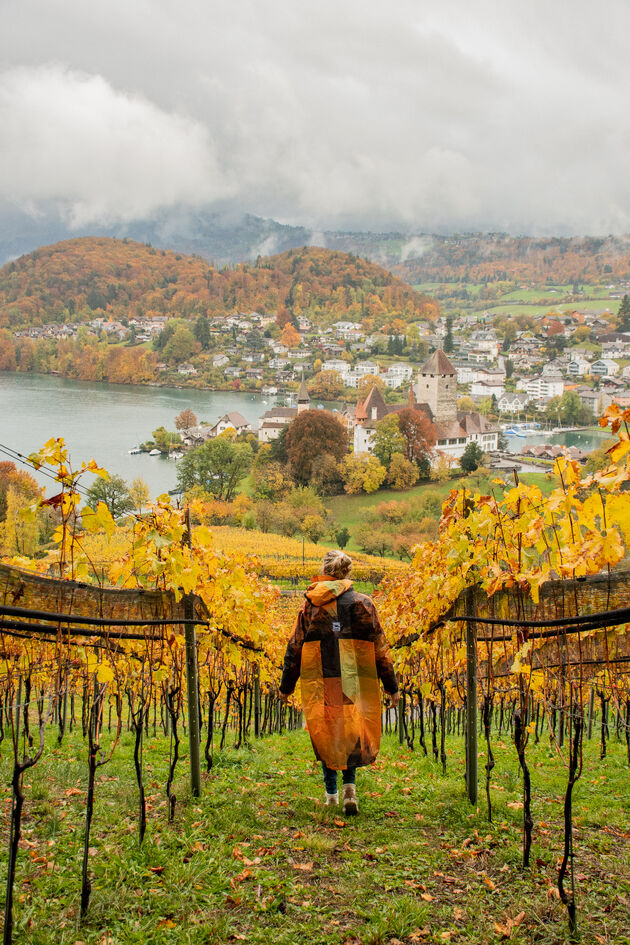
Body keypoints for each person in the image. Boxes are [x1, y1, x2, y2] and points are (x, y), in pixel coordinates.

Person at [279, 549, 400, 816]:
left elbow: (295, 648)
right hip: (354, 681)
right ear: (347, 573)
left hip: (320, 682)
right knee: (350, 732)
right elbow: (380, 649)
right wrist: (392, 686)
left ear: (324, 571)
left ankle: (331, 795)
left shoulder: (310, 606)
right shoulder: (364, 604)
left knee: (327, 732)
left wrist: (286, 687)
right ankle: (349, 790)